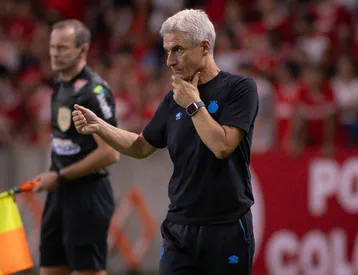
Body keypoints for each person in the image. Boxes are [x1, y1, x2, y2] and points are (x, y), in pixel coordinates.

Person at [72, 9, 259, 275]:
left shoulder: (240, 89)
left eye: (178, 50)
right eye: (167, 51)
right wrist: (100, 126)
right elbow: (140, 146)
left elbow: (222, 146)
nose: (170, 60)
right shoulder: (174, 99)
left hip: (226, 227)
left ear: (205, 47)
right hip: (179, 229)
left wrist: (193, 104)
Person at [31, 19, 120, 275]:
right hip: (58, 195)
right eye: (52, 47)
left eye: (63, 48)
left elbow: (110, 153)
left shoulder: (94, 91)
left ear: (84, 49)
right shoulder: (59, 87)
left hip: (87, 196)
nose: (55, 54)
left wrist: (58, 176)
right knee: (49, 268)